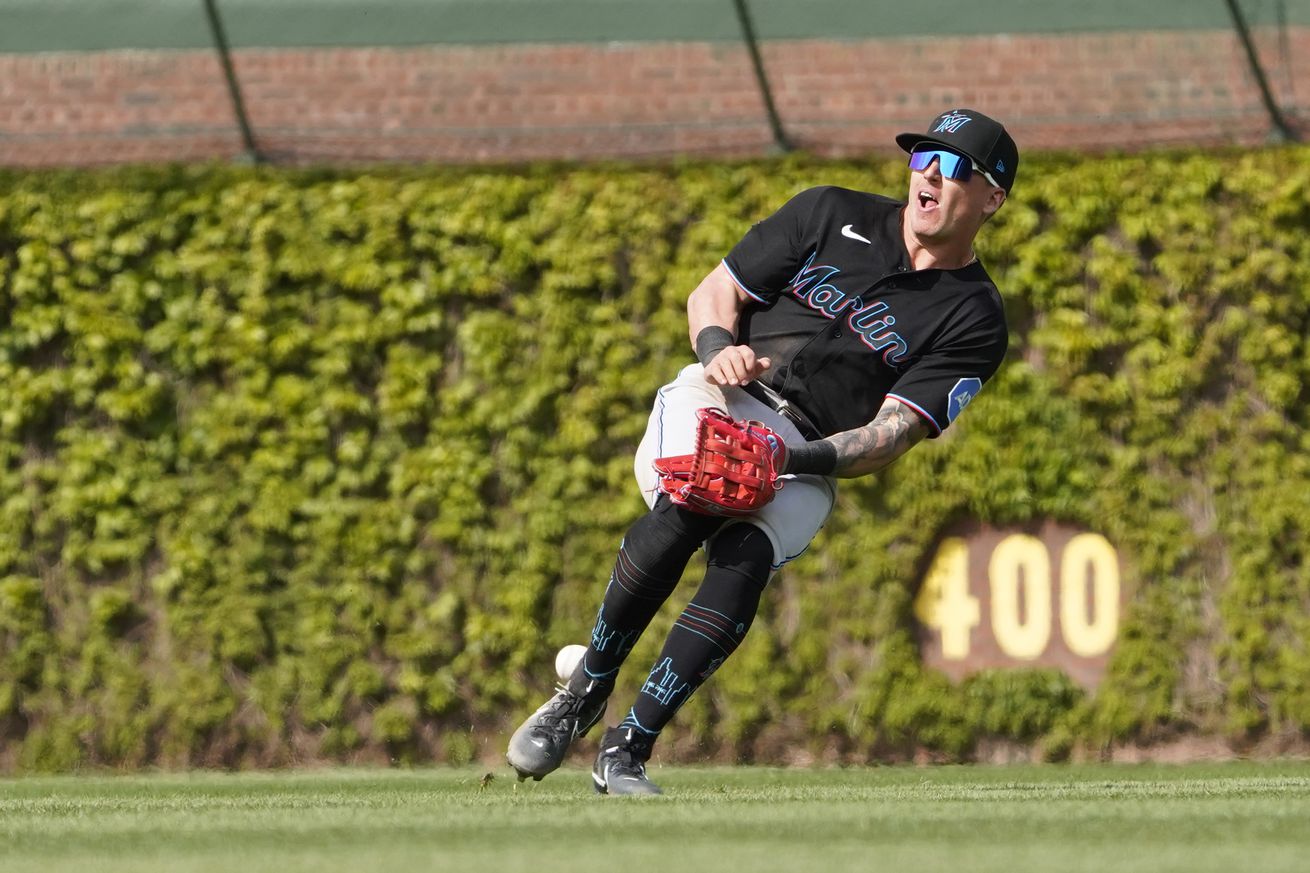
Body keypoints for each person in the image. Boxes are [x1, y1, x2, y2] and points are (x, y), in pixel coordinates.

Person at [507, 108, 1018, 795]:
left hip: (809, 448)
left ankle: (628, 747)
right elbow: (714, 293)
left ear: (992, 198)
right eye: (923, 157)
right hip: (722, 399)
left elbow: (891, 434)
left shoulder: (975, 316)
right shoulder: (829, 211)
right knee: (693, 497)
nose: (930, 172)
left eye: (955, 166)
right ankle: (584, 690)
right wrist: (720, 351)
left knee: (745, 560)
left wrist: (792, 463)